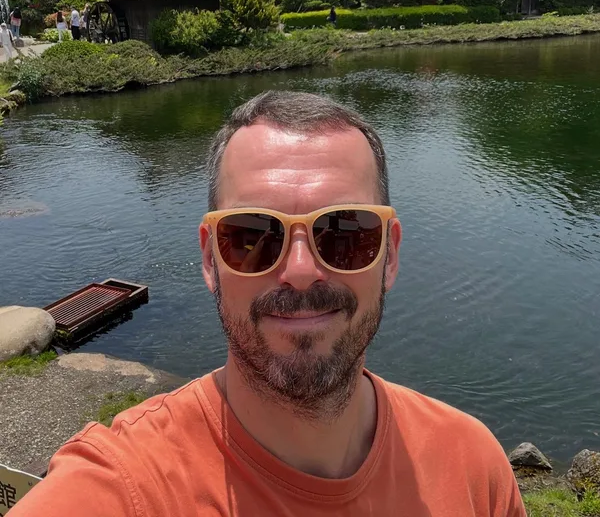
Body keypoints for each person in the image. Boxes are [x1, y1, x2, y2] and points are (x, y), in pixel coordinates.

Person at [11, 91, 526, 517]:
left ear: (389, 255)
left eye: (344, 232)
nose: (300, 270)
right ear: (210, 260)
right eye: (252, 235)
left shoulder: (472, 468)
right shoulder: (124, 489)